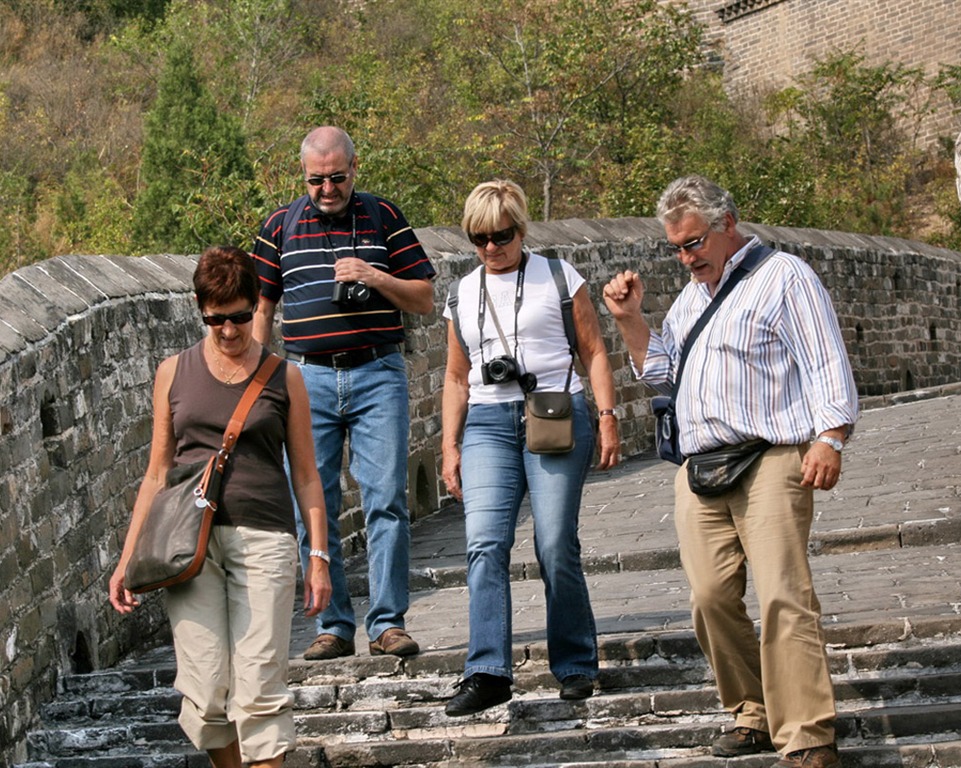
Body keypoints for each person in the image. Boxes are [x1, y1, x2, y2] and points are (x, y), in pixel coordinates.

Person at [602, 176, 858, 768]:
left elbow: (825, 360)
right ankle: (753, 710)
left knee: (782, 597)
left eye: (693, 243)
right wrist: (630, 319)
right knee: (710, 597)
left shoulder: (783, 276)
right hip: (702, 465)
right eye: (676, 248)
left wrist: (830, 437)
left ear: (727, 225)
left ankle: (807, 735)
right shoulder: (692, 297)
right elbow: (663, 374)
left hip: (770, 455)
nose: (686, 257)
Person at [109, 246, 332, 768]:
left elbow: (306, 475)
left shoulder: (285, 377)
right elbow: (157, 473)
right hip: (190, 547)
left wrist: (317, 557)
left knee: (258, 691)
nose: (229, 330)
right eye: (216, 319)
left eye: (239, 316)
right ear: (199, 308)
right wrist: (127, 559)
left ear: (256, 305)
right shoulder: (173, 372)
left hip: (265, 541)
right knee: (207, 695)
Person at [251, 126, 435, 660]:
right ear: (302, 176)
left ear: (355, 169)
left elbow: (423, 297)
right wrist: (262, 381)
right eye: (316, 179)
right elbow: (262, 309)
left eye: (336, 177)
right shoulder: (279, 226)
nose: (327, 188)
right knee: (314, 504)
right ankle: (333, 626)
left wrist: (376, 277)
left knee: (385, 500)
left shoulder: (383, 216)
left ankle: (388, 623)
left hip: (378, 372)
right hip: (307, 379)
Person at [440, 179, 621, 716]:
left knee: (554, 543)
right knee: (483, 544)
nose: (491, 247)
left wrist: (608, 417)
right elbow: (454, 377)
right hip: (488, 424)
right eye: (479, 238)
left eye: (501, 235)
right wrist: (449, 445)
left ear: (521, 229)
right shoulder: (462, 292)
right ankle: (488, 670)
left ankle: (574, 663)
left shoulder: (560, 278)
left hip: (554, 415)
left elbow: (593, 352)